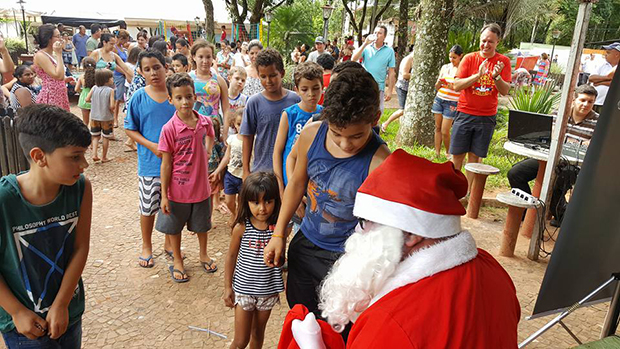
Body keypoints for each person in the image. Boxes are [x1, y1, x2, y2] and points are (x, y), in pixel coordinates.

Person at [315, 149, 520, 348]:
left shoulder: (392, 320)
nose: (359, 231)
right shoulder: (493, 269)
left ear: (412, 234)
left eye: (366, 221)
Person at [263, 69, 391, 324]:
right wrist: (278, 234)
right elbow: (297, 184)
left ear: (375, 118)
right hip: (305, 244)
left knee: (338, 325)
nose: (345, 144)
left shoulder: (380, 161)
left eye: (356, 136)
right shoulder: (311, 135)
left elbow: (380, 228)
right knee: (302, 317)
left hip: (346, 261)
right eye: (336, 133)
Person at [0, 104, 92, 348]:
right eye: (75, 156)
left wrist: (62, 303)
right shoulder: (4, 199)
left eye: (83, 154)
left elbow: (81, 247)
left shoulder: (81, 188)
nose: (84, 164)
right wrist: (16, 311)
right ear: (39, 156)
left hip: (68, 313)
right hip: (23, 324)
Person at [507, 84, 599, 223]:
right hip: (548, 157)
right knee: (515, 173)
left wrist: (568, 141)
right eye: (583, 100)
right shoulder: (559, 113)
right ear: (574, 100)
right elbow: (549, 135)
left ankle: (561, 216)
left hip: (574, 163)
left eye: (590, 102)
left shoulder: (598, 122)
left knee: (558, 184)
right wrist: (578, 142)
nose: (586, 104)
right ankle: (527, 212)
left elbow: (594, 145)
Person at [156, 73, 217, 282]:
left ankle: (203, 254)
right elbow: (165, 163)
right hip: (177, 190)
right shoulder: (169, 129)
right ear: (171, 99)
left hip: (201, 188)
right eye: (179, 97)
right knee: (174, 227)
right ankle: (178, 260)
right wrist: (164, 195)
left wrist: (207, 151)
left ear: (195, 97)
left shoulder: (203, 121)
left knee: (202, 225)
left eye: (189, 96)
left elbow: (211, 133)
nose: (185, 102)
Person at [124, 49, 177, 268]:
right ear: (141, 72)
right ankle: (146, 245)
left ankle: (169, 243)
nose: (153, 72)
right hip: (149, 164)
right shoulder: (138, 97)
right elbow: (130, 129)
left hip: (177, 164)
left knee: (172, 206)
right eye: (147, 69)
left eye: (157, 67)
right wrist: (151, 145)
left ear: (165, 67)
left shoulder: (175, 95)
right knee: (148, 207)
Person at [223, 172, 284, 349]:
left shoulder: (278, 229)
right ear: (246, 202)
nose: (262, 208)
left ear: (276, 202)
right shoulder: (242, 227)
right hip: (244, 291)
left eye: (268, 201)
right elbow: (231, 256)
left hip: (268, 290)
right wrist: (228, 287)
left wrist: (277, 260)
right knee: (241, 341)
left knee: (258, 335)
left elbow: (281, 259)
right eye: (255, 202)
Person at [451, 23, 511, 179]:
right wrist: (477, 75)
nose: (486, 44)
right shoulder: (469, 58)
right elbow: (456, 85)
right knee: (457, 156)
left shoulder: (502, 61)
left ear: (498, 42)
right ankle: (453, 191)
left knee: (475, 159)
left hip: (486, 117)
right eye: (483, 40)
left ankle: (469, 194)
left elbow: (505, 91)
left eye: (490, 41)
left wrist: (496, 76)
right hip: (464, 114)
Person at [241, 48, 301, 177]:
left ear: (282, 73)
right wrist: (246, 171)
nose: (268, 81)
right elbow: (247, 136)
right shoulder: (253, 102)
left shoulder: (296, 100)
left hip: (289, 173)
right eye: (263, 76)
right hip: (262, 171)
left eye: (273, 75)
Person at [273, 61, 323, 191]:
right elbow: (278, 151)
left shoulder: (325, 114)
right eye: (305, 89)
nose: (311, 94)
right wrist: (281, 187)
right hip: (290, 180)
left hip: (316, 182)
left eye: (316, 88)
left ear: (322, 87)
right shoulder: (289, 115)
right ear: (297, 90)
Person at [210, 108, 245, 227]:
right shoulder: (232, 139)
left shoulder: (252, 140)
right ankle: (234, 214)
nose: (241, 127)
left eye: (244, 124)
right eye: (239, 124)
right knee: (229, 201)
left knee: (241, 202)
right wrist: (217, 171)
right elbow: (226, 157)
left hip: (244, 177)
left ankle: (239, 219)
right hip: (231, 175)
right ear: (234, 124)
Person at [189, 41, 231, 139]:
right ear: (194, 57)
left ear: (213, 58)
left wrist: (225, 132)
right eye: (201, 57)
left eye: (208, 57)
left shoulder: (219, 80)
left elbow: (226, 109)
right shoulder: (188, 79)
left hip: (214, 126)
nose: (205, 61)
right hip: (193, 126)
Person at [351, 26, 396, 113]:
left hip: (379, 87)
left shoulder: (389, 51)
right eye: (375, 32)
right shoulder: (366, 48)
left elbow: (391, 72)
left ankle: (375, 126)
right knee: (362, 110)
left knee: (377, 111)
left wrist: (390, 90)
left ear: (384, 36)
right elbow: (353, 59)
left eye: (379, 33)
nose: (376, 35)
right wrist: (365, 44)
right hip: (364, 85)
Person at [430, 44, 464, 158]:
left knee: (445, 131)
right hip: (440, 99)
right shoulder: (445, 67)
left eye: (454, 57)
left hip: (452, 102)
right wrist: (439, 83)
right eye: (450, 57)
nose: (451, 60)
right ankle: (437, 153)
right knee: (438, 127)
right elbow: (437, 86)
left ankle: (449, 153)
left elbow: (462, 88)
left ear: (460, 57)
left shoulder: (462, 69)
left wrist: (452, 87)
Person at [32, 24, 70, 111]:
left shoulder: (51, 54)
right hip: (51, 95)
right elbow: (58, 76)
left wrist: (66, 79)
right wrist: (59, 53)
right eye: (57, 36)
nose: (61, 39)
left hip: (59, 94)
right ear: (48, 39)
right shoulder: (41, 55)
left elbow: (58, 76)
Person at [380, 49, 414, 133]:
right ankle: (385, 124)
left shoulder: (413, 59)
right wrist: (417, 75)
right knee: (403, 109)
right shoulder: (409, 59)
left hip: (408, 87)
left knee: (406, 110)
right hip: (402, 87)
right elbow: (405, 74)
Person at [85, 69, 115, 163]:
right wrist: (112, 110)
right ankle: (104, 157)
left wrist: (95, 102)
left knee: (95, 136)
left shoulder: (94, 88)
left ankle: (94, 154)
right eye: (111, 78)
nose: (113, 79)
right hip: (106, 118)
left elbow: (87, 99)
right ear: (106, 80)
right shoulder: (110, 90)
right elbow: (112, 106)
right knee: (106, 137)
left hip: (94, 116)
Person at [589, 42, 619, 111]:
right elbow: (591, 78)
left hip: (610, 105)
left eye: (608, 53)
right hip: (594, 102)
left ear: (617, 55)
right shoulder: (602, 65)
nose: (605, 54)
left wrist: (599, 82)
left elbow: (616, 84)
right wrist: (607, 78)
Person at [112, 30, 131, 127]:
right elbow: (114, 64)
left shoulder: (122, 48)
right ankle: (114, 119)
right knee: (118, 98)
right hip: (118, 75)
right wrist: (124, 72)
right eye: (125, 40)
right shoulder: (115, 49)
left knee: (124, 97)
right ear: (121, 39)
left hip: (124, 74)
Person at [75, 58, 96, 126]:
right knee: (95, 120)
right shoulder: (97, 75)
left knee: (85, 121)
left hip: (84, 99)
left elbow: (76, 89)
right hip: (95, 99)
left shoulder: (81, 76)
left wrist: (81, 91)